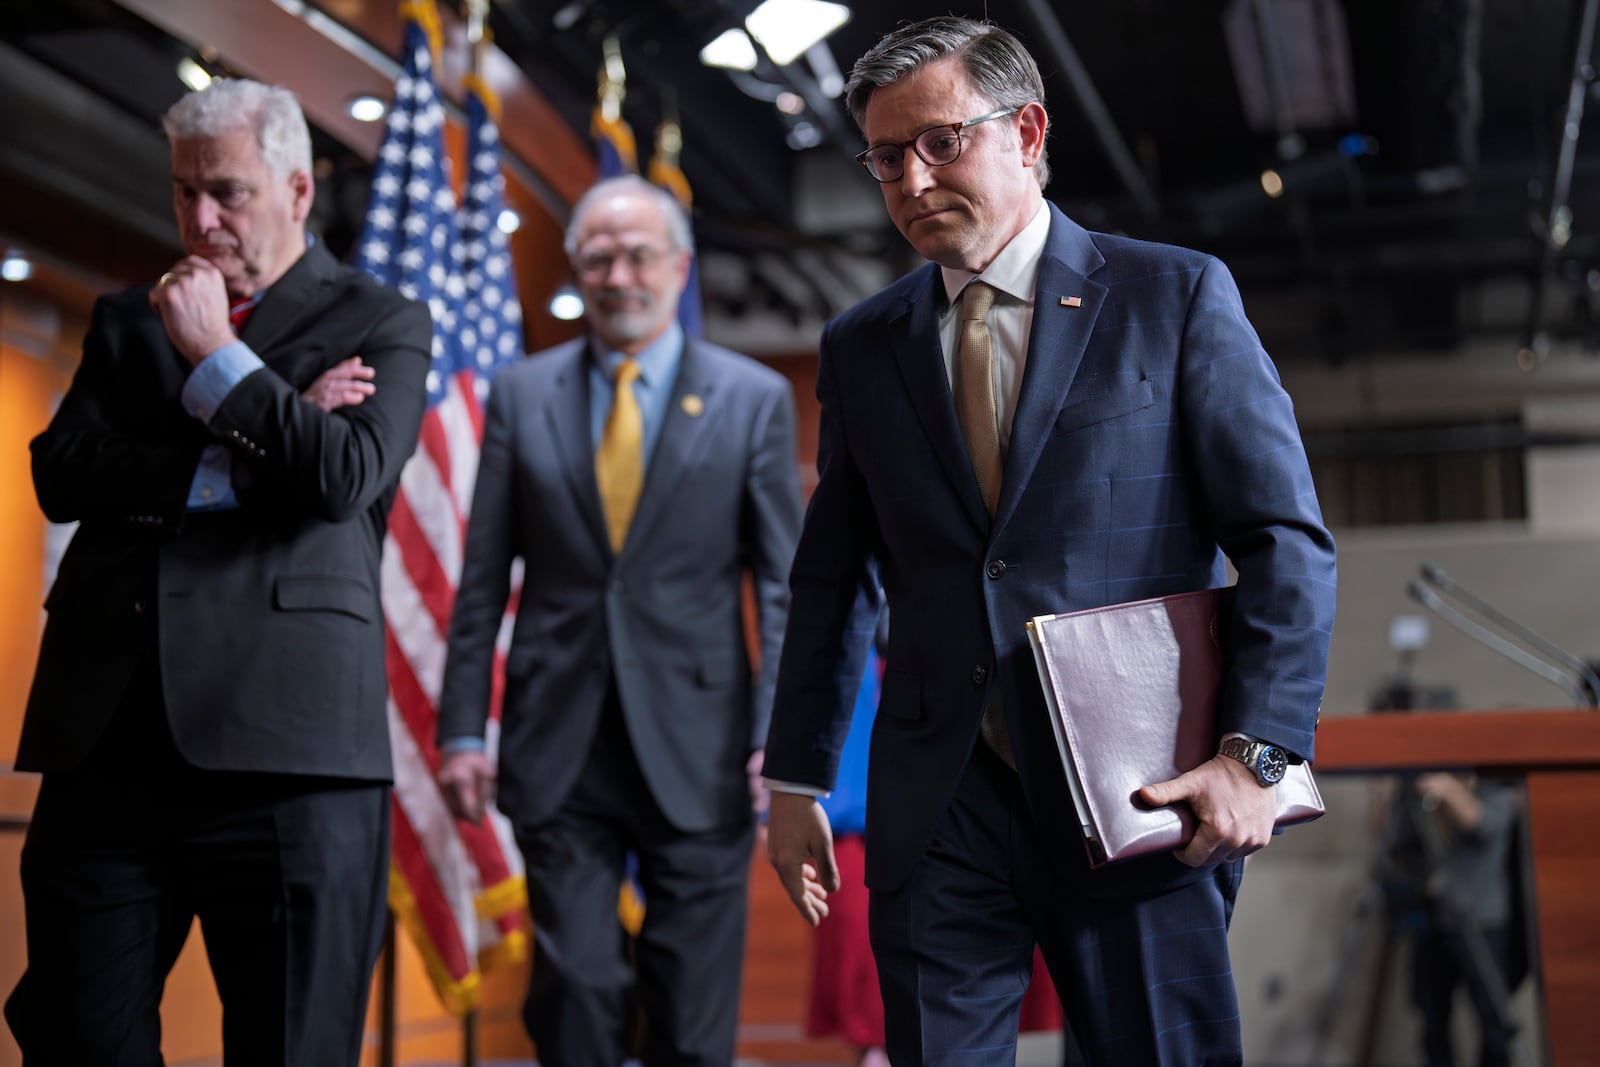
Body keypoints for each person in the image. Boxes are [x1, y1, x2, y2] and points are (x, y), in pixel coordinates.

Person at [762, 17, 1337, 1066]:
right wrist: (795, 778)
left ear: (1025, 130)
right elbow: (833, 578)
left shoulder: (1174, 295)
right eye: (885, 156)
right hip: (940, 808)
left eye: (939, 141)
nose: (909, 178)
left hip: (1142, 792)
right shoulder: (858, 345)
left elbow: (1286, 543)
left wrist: (1256, 756)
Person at [6, 78, 432, 1065]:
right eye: (183, 193)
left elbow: (342, 476)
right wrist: (248, 448)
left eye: (227, 192)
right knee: (74, 1037)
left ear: (294, 189)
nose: (200, 220)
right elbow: (61, 473)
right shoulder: (122, 319)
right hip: (107, 747)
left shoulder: (382, 319)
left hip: (293, 760)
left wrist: (217, 357)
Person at [435, 173, 802, 1067]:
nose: (618, 273)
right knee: (580, 989)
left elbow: (784, 585)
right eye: (598, 256)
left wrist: (780, 737)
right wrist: (458, 732)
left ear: (679, 267)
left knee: (690, 1011)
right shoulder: (521, 396)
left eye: (639, 254)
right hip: (559, 741)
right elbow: (482, 579)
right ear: (578, 268)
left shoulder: (752, 397)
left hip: (705, 747)